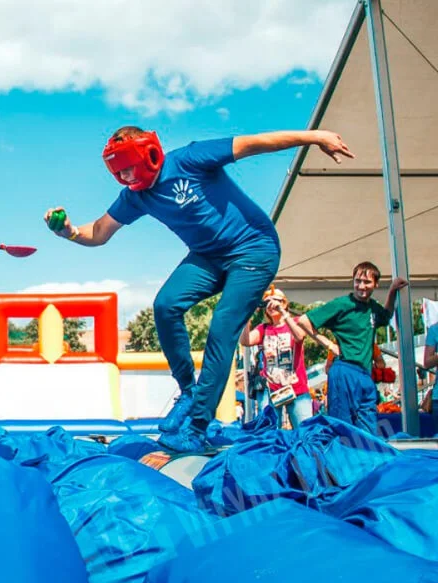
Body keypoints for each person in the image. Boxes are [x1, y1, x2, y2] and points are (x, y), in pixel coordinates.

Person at [44, 127, 354, 452]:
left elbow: (254, 144)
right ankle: (188, 392)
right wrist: (69, 231)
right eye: (117, 171)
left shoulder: (189, 159)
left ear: (148, 154)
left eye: (127, 167)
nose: (123, 176)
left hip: (254, 249)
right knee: (165, 305)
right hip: (209, 257)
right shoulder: (136, 195)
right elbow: (99, 231)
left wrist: (316, 136)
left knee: (222, 328)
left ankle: (196, 426)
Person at [295, 262, 408, 434]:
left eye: (367, 282)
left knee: (368, 429)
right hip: (344, 369)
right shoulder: (342, 304)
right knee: (342, 427)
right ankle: (341, 457)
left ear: (375, 284)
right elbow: (304, 320)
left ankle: (367, 458)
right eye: (358, 281)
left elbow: (386, 316)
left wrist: (392, 290)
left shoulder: (372, 308)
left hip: (365, 374)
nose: (361, 286)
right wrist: (329, 344)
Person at [239, 286, 314, 428]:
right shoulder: (264, 328)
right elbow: (245, 341)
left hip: (296, 389)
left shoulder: (296, 322)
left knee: (305, 430)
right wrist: (248, 316)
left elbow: (299, 336)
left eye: (276, 301)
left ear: (284, 303)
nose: (271, 305)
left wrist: (283, 312)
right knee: (269, 431)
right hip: (271, 389)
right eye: (267, 302)